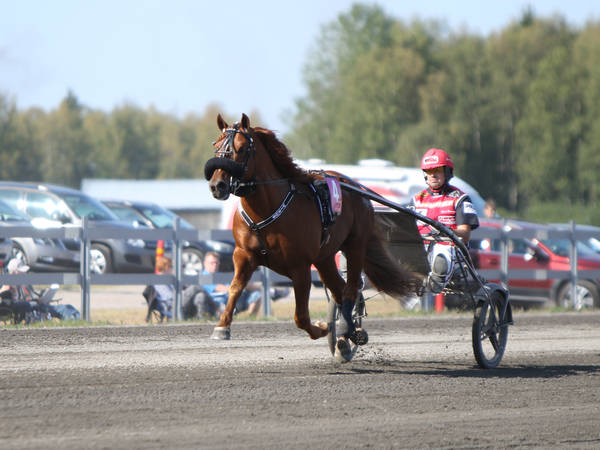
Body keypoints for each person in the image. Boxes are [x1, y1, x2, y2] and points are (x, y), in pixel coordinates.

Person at [410, 148, 479, 293]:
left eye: (437, 170)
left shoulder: (460, 198)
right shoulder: (417, 199)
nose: (433, 175)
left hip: (449, 248)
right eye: (429, 171)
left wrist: (446, 230)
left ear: (447, 172)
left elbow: (465, 234)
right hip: (420, 248)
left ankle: (436, 280)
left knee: (442, 252)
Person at [185, 251, 263, 318]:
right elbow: (220, 288)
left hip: (230, 300)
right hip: (215, 304)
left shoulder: (221, 275)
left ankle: (249, 316)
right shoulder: (203, 276)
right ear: (205, 263)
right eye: (212, 263)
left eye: (216, 263)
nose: (215, 265)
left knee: (256, 294)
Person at [0, 258, 79, 321]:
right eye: (22, 272)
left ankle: (74, 319)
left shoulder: (19, 284)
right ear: (14, 272)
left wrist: (37, 299)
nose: (24, 274)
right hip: (31, 307)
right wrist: (34, 301)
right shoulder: (8, 285)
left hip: (32, 306)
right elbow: (11, 303)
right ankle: (74, 319)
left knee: (65, 307)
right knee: (60, 309)